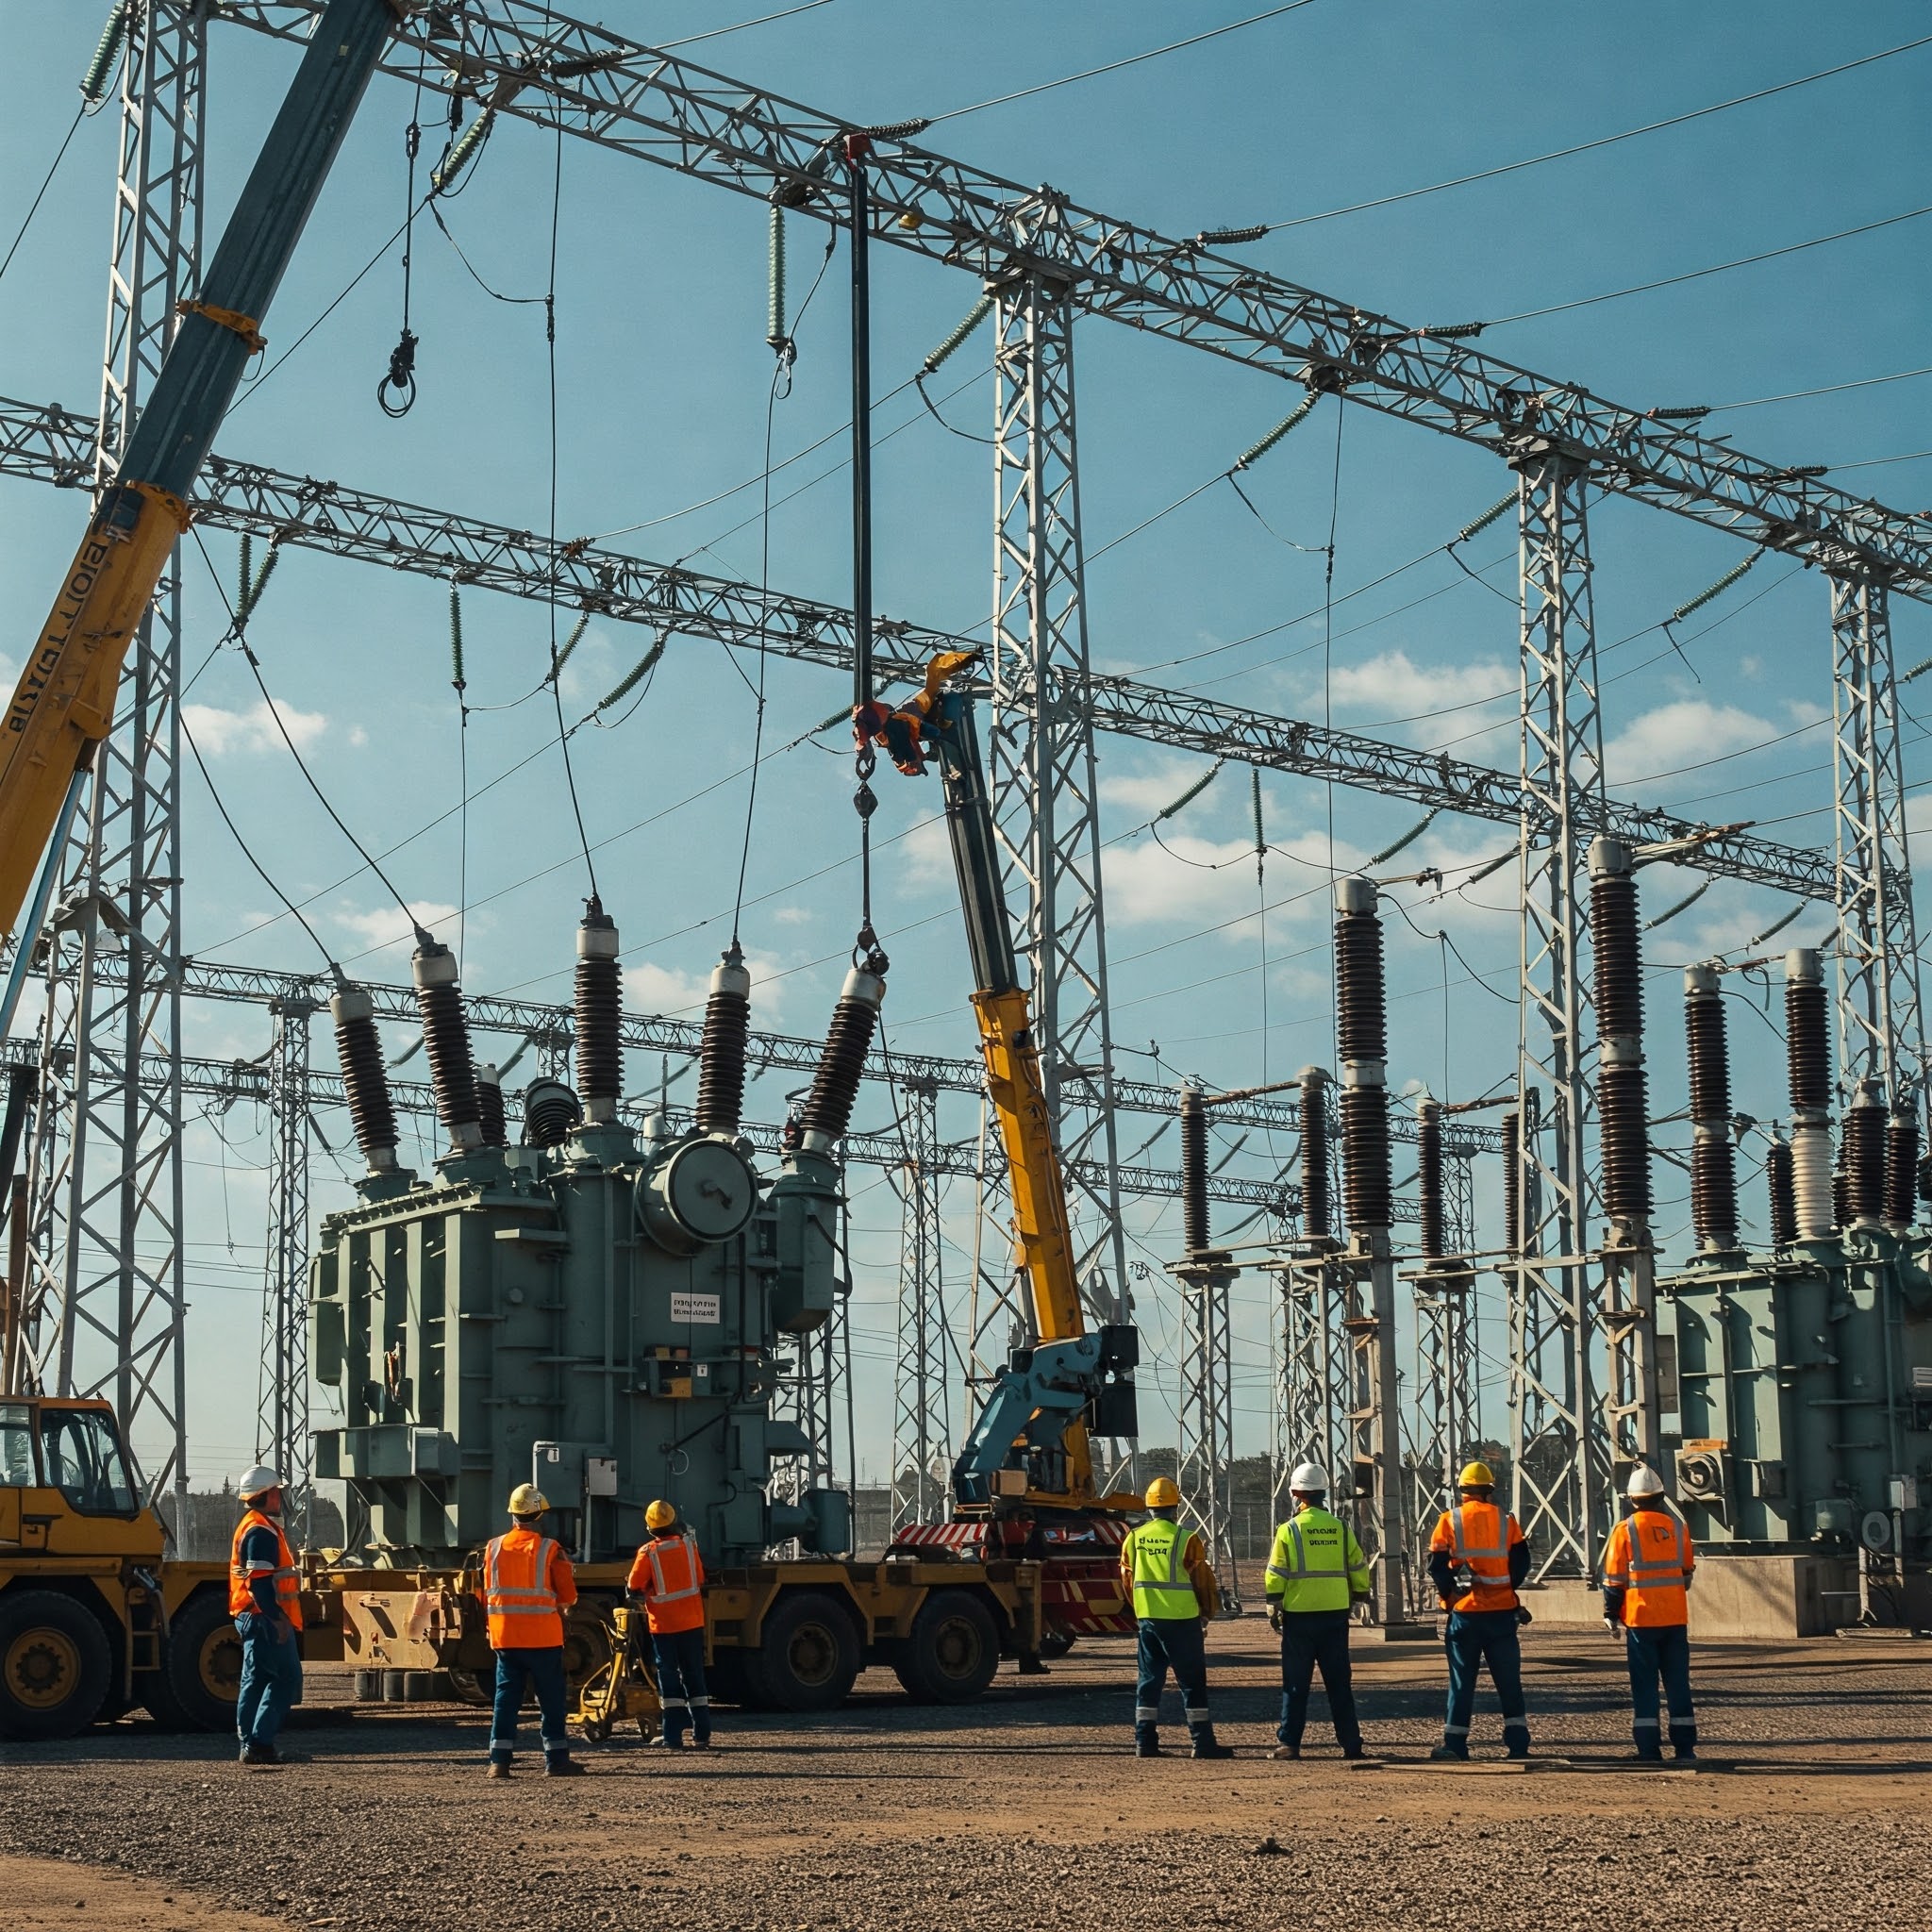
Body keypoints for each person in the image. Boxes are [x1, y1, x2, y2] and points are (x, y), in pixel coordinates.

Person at [1118, 1475, 1231, 1759]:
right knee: (1192, 1682)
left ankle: (1145, 1742)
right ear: (1175, 1507)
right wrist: (1206, 1614)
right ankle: (1201, 1742)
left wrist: (1141, 1610)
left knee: (1149, 1680)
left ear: (1149, 1507)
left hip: (1149, 1621)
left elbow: (1127, 1579)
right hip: (1182, 1622)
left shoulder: (1134, 1538)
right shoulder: (1186, 1539)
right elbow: (1202, 1581)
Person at [1263, 1461, 1371, 1761]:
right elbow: (1358, 1564)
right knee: (1339, 1684)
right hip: (1336, 1615)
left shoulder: (1289, 1531)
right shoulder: (1340, 1528)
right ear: (1324, 1492)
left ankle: (1289, 1744)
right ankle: (1351, 1744)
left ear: (1296, 1493)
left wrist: (1274, 1604)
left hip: (1300, 1617)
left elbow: (1275, 1573)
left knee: (1296, 1683)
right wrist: (1360, 1595)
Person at [475, 1484, 585, 1778]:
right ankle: (557, 1761)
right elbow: (568, 1597)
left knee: (506, 1699)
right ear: (538, 1517)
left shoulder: (493, 1548)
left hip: (506, 1638)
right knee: (550, 1700)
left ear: (513, 1515)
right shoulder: (550, 1549)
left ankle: (499, 1761)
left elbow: (485, 1593)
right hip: (543, 1640)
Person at [1427, 1459, 1533, 1762]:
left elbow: (1436, 1567)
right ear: (1489, 1490)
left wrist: (1451, 1593)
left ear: (1462, 1491)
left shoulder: (1449, 1520)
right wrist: (1506, 1587)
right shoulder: (1506, 1520)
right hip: (1501, 1613)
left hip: (1466, 1614)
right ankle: (1518, 1744)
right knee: (1509, 1680)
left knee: (1462, 1680)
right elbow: (1522, 1561)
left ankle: (1456, 1745)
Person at [1603, 1464, 1698, 1763]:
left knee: (1645, 1687)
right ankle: (1685, 1749)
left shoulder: (1625, 1530)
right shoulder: (1678, 1528)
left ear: (1631, 1499)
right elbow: (1686, 1572)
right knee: (1678, 1685)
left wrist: (1610, 1612)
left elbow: (1614, 1579)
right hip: (1674, 1620)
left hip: (1641, 1621)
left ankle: (1648, 1750)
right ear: (1661, 1497)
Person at [230, 1464, 304, 1768]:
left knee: (256, 1679)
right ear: (267, 1494)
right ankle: (258, 1743)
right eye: (277, 1492)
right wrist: (278, 1618)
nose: (280, 1497)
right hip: (263, 1617)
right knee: (286, 1678)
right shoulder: (261, 1531)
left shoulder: (252, 1525)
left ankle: (251, 1743)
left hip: (252, 1616)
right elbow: (260, 1583)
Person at [627, 1500, 710, 1748]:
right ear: (674, 1522)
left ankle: (673, 1737)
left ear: (651, 1528)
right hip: (692, 1623)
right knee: (695, 1675)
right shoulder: (688, 1547)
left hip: (664, 1627)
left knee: (669, 1677)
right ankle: (702, 1735)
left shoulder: (648, 1552)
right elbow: (700, 1577)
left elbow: (633, 1585)